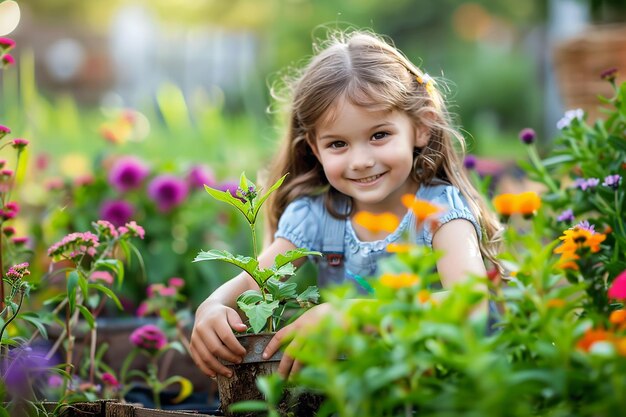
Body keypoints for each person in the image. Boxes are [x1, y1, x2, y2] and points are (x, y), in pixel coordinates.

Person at [190, 29, 502, 380]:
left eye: (379, 135)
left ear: (421, 127)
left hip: (447, 388)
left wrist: (353, 316)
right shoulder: (316, 214)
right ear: (313, 146)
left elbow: (471, 306)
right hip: (360, 392)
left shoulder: (439, 213)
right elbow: (256, 281)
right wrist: (212, 307)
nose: (361, 161)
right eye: (338, 144)